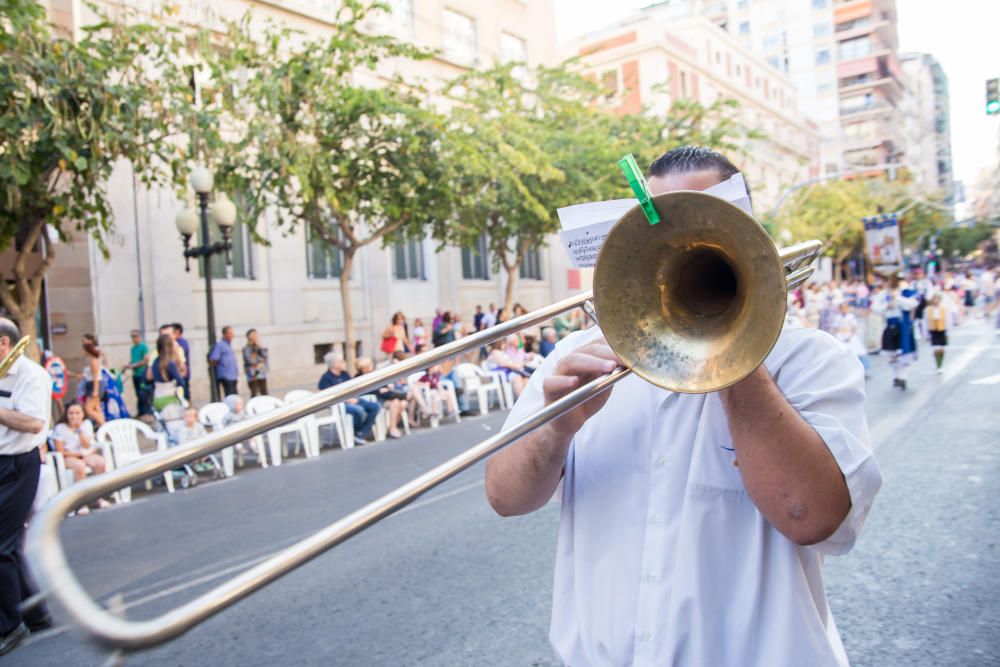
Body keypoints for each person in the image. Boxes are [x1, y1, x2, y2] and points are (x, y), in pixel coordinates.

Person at [484, 146, 882, 666]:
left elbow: (813, 517)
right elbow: (505, 497)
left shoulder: (809, 358)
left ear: (747, 235)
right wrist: (554, 430)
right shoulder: (574, 357)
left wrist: (731, 339)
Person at [0, 318, 53, 655]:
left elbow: (34, 423)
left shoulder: (32, 376)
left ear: (4, 344)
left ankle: (8, 627)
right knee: (10, 544)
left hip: (19, 464)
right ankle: (36, 612)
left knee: (0, 547)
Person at [51, 403, 111, 514]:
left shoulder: (86, 424)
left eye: (77, 413)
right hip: (69, 456)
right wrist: (78, 455)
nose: (74, 416)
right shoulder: (60, 428)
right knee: (79, 466)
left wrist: (79, 430)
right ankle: (81, 502)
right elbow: (60, 450)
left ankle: (98, 497)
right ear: (66, 414)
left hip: (85, 454)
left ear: (83, 414)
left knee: (100, 462)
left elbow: (87, 445)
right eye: (71, 413)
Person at [318, 352, 379, 442]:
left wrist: (353, 397)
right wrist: (346, 400)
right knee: (359, 410)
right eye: (341, 361)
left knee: (375, 406)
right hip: (340, 404)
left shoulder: (344, 374)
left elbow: (352, 387)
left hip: (354, 399)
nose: (343, 363)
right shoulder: (326, 378)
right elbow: (326, 395)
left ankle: (362, 433)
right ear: (334, 364)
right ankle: (357, 432)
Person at [356, 357, 405, 439]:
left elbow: (384, 386)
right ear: (363, 368)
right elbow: (366, 392)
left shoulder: (374, 374)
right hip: (373, 400)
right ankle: (392, 428)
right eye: (369, 365)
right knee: (396, 402)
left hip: (384, 398)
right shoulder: (359, 378)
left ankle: (392, 427)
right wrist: (379, 390)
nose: (372, 366)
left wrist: (386, 388)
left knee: (400, 403)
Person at [883, 281, 919, 390]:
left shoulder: (905, 294)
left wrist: (897, 298)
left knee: (903, 354)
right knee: (892, 354)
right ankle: (896, 376)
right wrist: (887, 305)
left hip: (902, 327)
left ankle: (903, 377)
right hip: (889, 326)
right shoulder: (884, 295)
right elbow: (875, 307)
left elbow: (911, 305)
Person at [147, 334, 185, 414]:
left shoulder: (155, 361)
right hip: (169, 399)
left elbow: (149, 378)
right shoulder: (170, 363)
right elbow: (181, 382)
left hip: (157, 398)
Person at [832, 302, 869, 376]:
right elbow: (835, 327)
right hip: (841, 335)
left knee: (856, 352)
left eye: (845, 308)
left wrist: (850, 335)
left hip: (850, 335)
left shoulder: (850, 316)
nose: (844, 310)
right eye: (842, 308)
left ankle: (859, 370)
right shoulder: (838, 317)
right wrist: (837, 335)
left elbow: (854, 327)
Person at [79, 334, 107, 427]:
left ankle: (104, 426)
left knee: (88, 409)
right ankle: (104, 426)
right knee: (96, 408)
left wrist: (95, 390)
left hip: (95, 385)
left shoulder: (93, 360)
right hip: (93, 384)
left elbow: (95, 376)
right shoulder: (91, 359)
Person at [124, 330, 152, 417]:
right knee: (137, 393)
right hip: (135, 374)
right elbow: (133, 360)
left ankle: (146, 411)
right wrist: (128, 365)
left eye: (136, 336)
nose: (134, 338)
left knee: (143, 392)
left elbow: (145, 359)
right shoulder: (133, 349)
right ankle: (141, 411)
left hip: (142, 372)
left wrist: (134, 365)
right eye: (132, 336)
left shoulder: (143, 347)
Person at [208, 326, 239, 398]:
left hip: (233, 375)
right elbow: (213, 358)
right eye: (230, 333)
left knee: (234, 396)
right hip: (226, 375)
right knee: (230, 397)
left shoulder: (228, 345)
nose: (232, 335)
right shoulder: (220, 345)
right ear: (225, 334)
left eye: (232, 333)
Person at [925, 293, 950, 374]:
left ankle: (941, 364)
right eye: (934, 299)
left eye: (938, 299)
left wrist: (948, 332)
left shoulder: (944, 309)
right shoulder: (928, 310)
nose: (936, 301)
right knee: (936, 349)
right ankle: (938, 365)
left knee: (942, 349)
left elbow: (948, 320)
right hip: (933, 330)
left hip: (942, 329)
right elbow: (925, 322)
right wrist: (926, 333)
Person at [243, 329, 268, 397]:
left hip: (261, 372)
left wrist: (259, 346)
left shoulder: (259, 347)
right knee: (254, 392)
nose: (256, 337)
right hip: (253, 373)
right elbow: (250, 360)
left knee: (264, 391)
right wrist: (260, 360)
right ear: (250, 337)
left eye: (256, 335)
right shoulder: (247, 348)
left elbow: (265, 356)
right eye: (254, 335)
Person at [171, 324, 192, 400]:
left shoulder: (181, 343)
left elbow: (180, 361)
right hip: (178, 373)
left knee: (185, 394)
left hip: (182, 374)